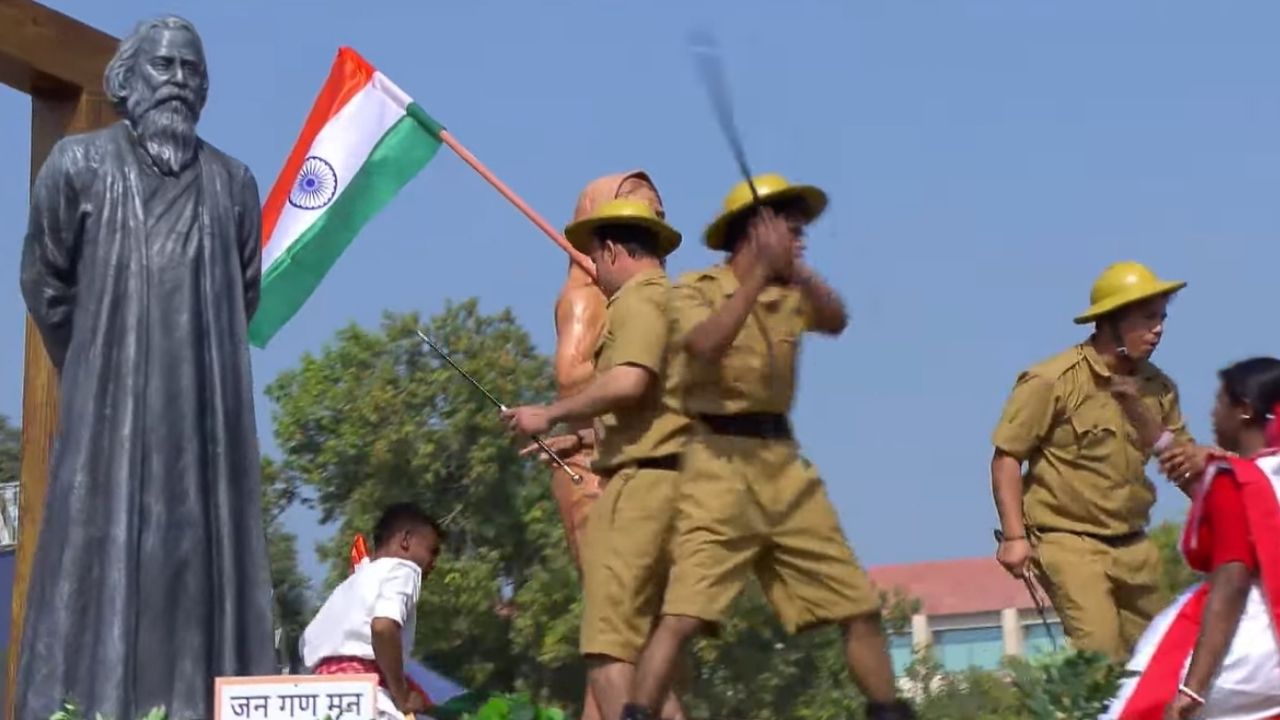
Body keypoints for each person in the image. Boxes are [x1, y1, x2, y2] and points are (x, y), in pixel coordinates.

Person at [16, 16, 275, 720]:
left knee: (198, 560)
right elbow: (45, 281)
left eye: (193, 72)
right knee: (96, 558)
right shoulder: (78, 166)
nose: (180, 83)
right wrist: (99, 364)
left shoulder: (233, 184)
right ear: (126, 81)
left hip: (202, 420)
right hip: (109, 414)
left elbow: (243, 292)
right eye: (165, 67)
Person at [621, 174, 916, 720]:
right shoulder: (694, 289)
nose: (800, 241)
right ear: (751, 232)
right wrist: (757, 275)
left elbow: (836, 319)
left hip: (784, 467)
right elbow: (703, 344)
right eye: (791, 232)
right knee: (683, 615)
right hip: (717, 463)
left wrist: (793, 270)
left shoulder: (792, 294)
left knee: (857, 605)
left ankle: (889, 712)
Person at [504, 197, 688, 720]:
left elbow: (629, 382)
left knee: (609, 651)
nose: (594, 274)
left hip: (642, 493)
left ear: (610, 251)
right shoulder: (676, 304)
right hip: (667, 484)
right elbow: (654, 411)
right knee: (640, 653)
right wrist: (584, 439)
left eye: (594, 259)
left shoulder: (638, 300)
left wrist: (551, 415)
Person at [990, 261, 1215, 662]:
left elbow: (1181, 463)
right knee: (1100, 658)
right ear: (1110, 321)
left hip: (1135, 544)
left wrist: (1228, 511)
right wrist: (1014, 537)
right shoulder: (1052, 380)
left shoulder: (1159, 388)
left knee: (1166, 660)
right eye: (1147, 318)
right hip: (1068, 543)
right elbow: (1007, 458)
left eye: (1161, 318)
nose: (1158, 329)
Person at [1102, 357, 1280, 720]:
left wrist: (1192, 688)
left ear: (1244, 410)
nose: (1213, 413)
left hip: (1240, 651)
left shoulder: (1234, 478)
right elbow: (1197, 480)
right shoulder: (1262, 475)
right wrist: (1136, 409)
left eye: (1220, 401)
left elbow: (1231, 582)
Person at [301, 503, 444, 720]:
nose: (434, 563)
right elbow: (383, 627)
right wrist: (402, 694)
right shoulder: (405, 569)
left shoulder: (348, 587)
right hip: (367, 698)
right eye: (432, 551)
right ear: (405, 540)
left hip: (320, 701)